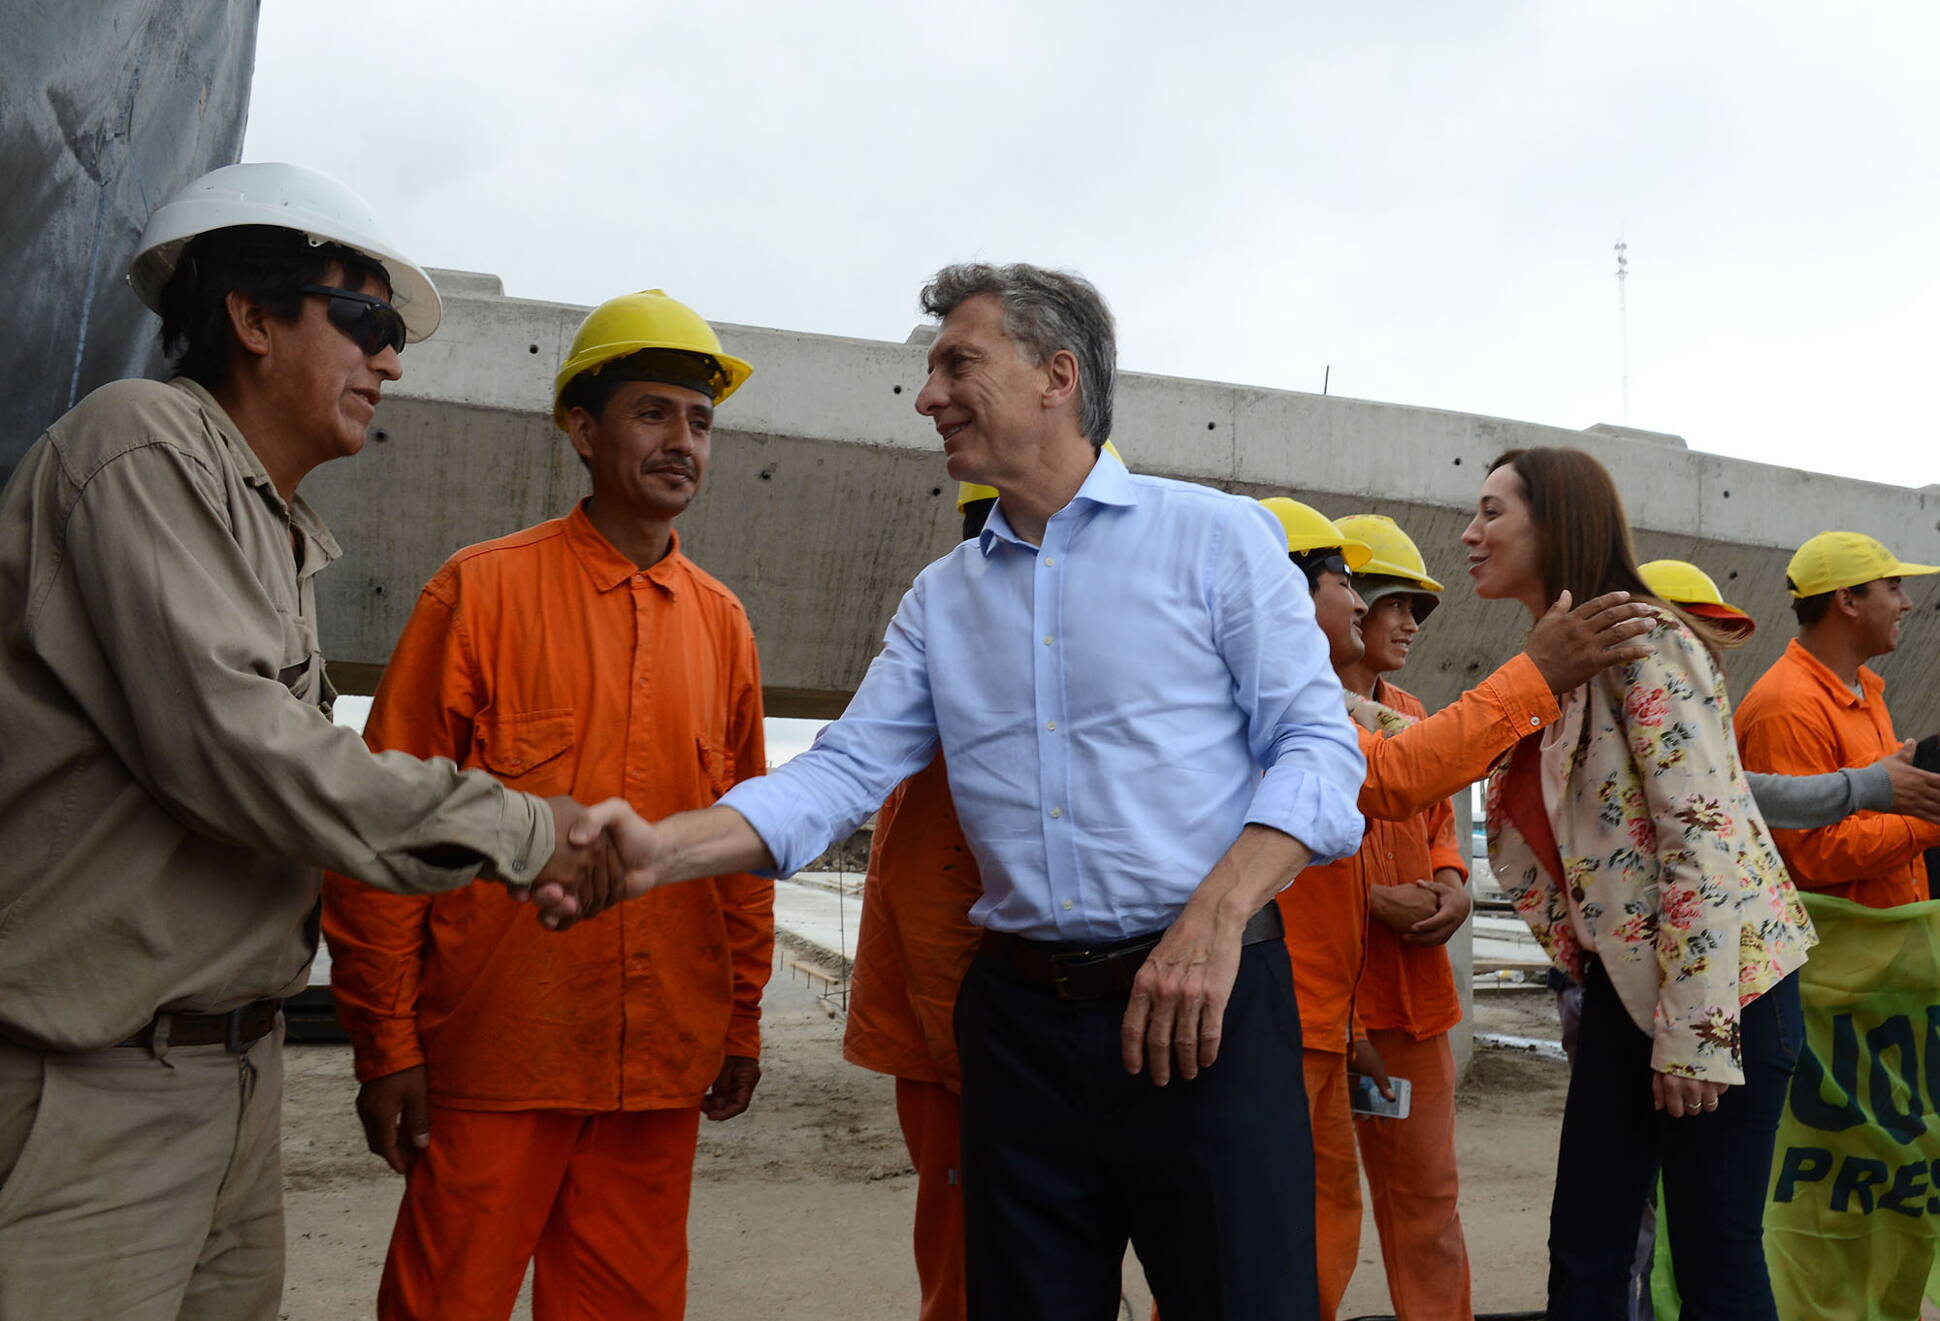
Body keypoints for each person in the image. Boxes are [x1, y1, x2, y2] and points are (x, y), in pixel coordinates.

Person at [571, 262, 1369, 1320]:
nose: (926, 395)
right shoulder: (943, 599)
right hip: (1019, 1036)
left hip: (1205, 1013)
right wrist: (660, 852)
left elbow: (1319, 751)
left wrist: (1216, 916)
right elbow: (844, 769)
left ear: (1055, 375)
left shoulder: (1213, 540)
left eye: (956, 363)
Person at [0, 163, 619, 1321]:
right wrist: (525, 828)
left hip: (225, 1074)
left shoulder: (268, 521)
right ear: (250, 318)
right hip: (91, 1090)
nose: (391, 359)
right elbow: (243, 752)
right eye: (366, 321)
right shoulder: (140, 447)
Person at [321, 290, 773, 1321]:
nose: (682, 442)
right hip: (496, 1056)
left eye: (699, 421)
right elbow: (382, 828)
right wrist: (386, 1042)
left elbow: (746, 839)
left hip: (657, 1065)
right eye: (653, 412)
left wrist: (740, 1016)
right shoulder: (476, 595)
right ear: (583, 427)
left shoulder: (724, 627)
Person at [1266, 499, 1652, 1321]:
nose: (1392, 617)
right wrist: (1537, 673)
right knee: (1282, 1230)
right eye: (1376, 594)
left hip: (1392, 997)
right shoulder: (1292, 708)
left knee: (1413, 1213)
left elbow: (1436, 808)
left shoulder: (1399, 714)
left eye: (1410, 605)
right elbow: (1389, 780)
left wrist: (1448, 881)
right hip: (1314, 1007)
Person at [1467, 446, 1815, 1320]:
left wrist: (1697, 1033)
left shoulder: (1643, 639)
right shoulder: (1559, 661)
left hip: (1722, 992)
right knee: (1584, 1245)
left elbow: (1701, 838)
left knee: (1713, 1262)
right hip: (1627, 991)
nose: (1470, 534)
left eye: (1491, 512)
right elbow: (1446, 743)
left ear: (1557, 524)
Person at [1734, 532, 1940, 908]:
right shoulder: (1786, 705)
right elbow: (1810, 856)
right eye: (1893, 587)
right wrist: (1928, 822)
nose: (1906, 603)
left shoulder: (1863, 687)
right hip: (1834, 961)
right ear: (1847, 600)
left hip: (1878, 948)